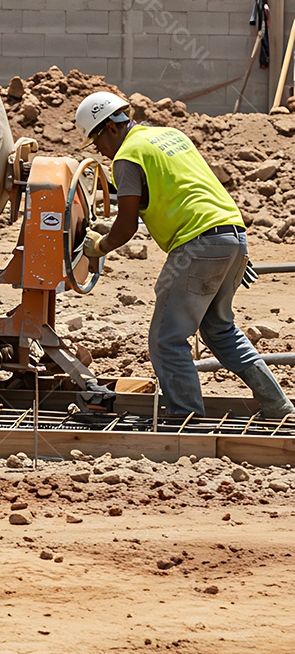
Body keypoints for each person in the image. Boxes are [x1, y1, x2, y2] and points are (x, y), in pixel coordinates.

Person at [76, 91, 293, 419]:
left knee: (167, 340)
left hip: (196, 246)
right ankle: (278, 406)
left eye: (96, 143)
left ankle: (186, 418)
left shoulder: (127, 157)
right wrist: (230, 258)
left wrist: (98, 246)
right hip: (233, 236)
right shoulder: (168, 135)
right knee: (220, 330)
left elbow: (126, 227)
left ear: (109, 128)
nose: (100, 152)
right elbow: (178, 187)